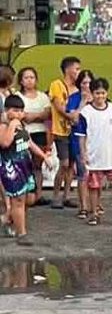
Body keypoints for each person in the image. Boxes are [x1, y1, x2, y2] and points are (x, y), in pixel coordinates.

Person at [0, 95, 48, 245]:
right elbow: (5, 143)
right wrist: (12, 125)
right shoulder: (3, 126)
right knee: (18, 200)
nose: (19, 114)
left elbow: (29, 142)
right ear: (7, 110)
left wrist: (43, 156)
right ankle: (22, 233)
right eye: (15, 110)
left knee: (29, 199)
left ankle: (7, 218)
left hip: (25, 165)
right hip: (10, 166)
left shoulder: (22, 125)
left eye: (21, 111)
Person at [79, 78, 112, 227]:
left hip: (111, 154)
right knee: (94, 187)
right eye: (97, 93)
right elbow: (81, 136)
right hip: (94, 154)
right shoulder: (86, 112)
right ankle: (94, 213)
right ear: (92, 94)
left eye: (103, 93)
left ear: (107, 93)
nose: (100, 96)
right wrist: (83, 153)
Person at [48, 56, 80, 210]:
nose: (78, 72)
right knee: (64, 163)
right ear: (67, 69)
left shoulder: (78, 89)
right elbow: (59, 107)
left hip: (73, 131)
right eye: (76, 68)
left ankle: (66, 196)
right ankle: (55, 196)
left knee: (71, 164)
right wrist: (72, 116)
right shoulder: (56, 85)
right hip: (60, 130)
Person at [66, 71, 92, 220]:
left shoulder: (99, 97)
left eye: (89, 82)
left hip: (95, 141)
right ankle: (83, 207)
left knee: (96, 175)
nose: (86, 86)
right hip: (78, 139)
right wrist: (83, 103)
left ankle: (95, 205)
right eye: (83, 83)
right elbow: (74, 119)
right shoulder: (73, 99)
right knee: (82, 174)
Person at [17, 67, 51, 168]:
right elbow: (22, 116)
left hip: (40, 133)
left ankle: (38, 184)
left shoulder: (43, 96)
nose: (29, 80)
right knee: (24, 164)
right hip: (23, 133)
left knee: (37, 165)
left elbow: (46, 114)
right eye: (26, 77)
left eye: (32, 77)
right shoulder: (17, 96)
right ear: (21, 81)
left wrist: (30, 115)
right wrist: (38, 115)